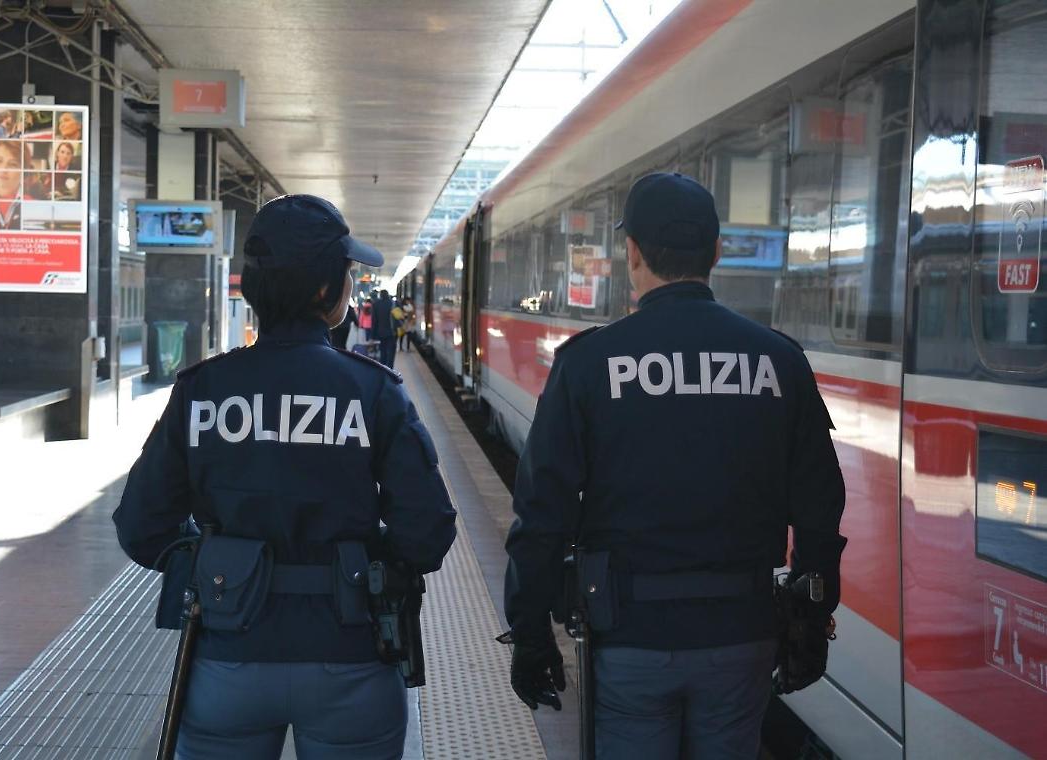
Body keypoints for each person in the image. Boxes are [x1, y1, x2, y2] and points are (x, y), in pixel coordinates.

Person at [502, 173, 846, 759]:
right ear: (716, 252)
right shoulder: (778, 361)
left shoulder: (589, 364)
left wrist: (530, 631)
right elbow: (819, 505)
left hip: (629, 639)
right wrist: (812, 616)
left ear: (632, 252)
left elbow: (542, 511)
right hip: (741, 636)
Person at [113, 193, 456, 759]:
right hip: (351, 659)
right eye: (346, 272)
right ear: (325, 291)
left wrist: (218, 564)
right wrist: (366, 566)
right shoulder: (373, 391)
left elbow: (141, 526)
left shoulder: (203, 389)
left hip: (226, 658)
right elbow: (428, 530)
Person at [371, 289, 397, 369]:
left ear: (380, 295)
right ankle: (390, 369)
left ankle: (383, 368)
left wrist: (372, 335)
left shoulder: (376, 304)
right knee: (391, 352)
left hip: (381, 332)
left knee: (383, 351)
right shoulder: (393, 303)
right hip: (392, 332)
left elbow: (374, 321)